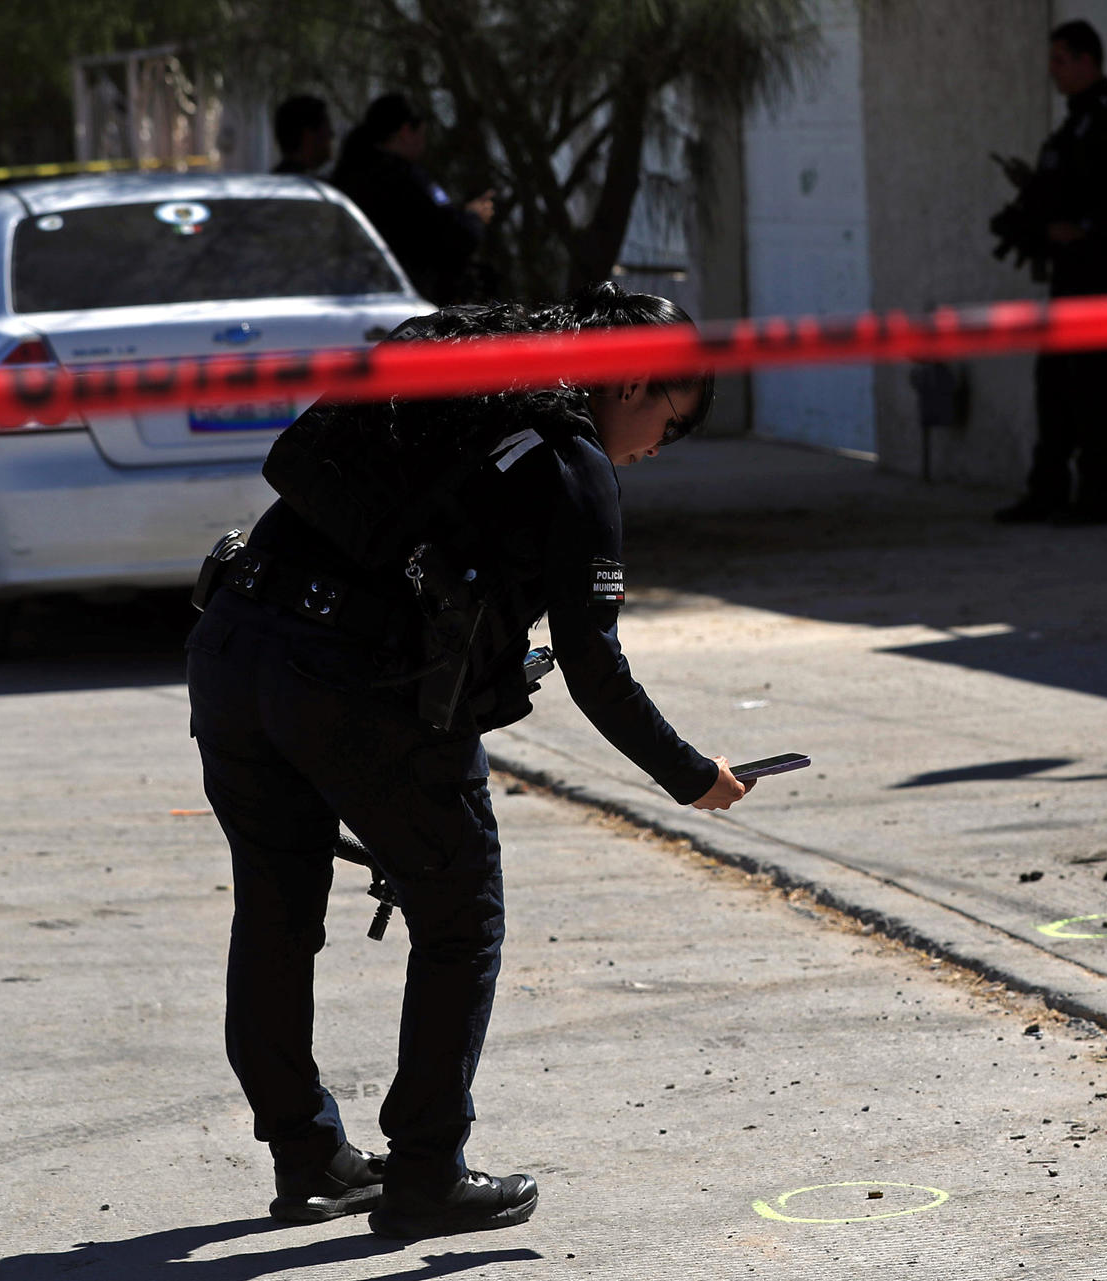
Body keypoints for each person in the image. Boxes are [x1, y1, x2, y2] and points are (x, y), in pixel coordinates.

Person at [184, 281, 747, 1240]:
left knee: (275, 909)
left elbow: (301, 461)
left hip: (236, 644)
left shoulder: (464, 372)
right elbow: (595, 666)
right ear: (635, 379)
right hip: (351, 688)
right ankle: (427, 1171)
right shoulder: (569, 460)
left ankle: (309, 1155)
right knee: (461, 915)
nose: (657, 446)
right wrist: (691, 771)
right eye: (669, 418)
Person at [993, 18, 1107, 526]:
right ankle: (1048, 490)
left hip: (1099, 266)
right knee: (1056, 380)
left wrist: (1085, 229)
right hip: (1067, 274)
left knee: (1095, 381)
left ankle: (1101, 495)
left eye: (1061, 61)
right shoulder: (1069, 128)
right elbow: (1056, 194)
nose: (1053, 73)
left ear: (1088, 62)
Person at [332, 92, 496, 304]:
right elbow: (447, 235)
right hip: (407, 299)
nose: (423, 142)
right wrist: (473, 218)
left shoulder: (350, 173)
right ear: (406, 131)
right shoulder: (402, 178)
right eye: (422, 133)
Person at [271, 96, 334, 176]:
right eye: (326, 128)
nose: (331, 135)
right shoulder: (307, 184)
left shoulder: (272, 182)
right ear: (308, 136)